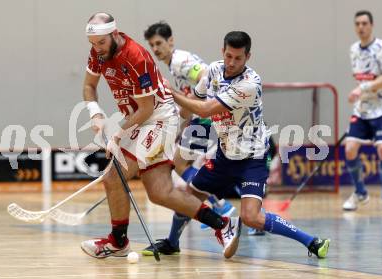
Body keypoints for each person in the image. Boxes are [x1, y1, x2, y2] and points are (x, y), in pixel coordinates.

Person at [79, 12, 240, 259]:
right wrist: (95, 113)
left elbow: (146, 109)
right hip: (140, 120)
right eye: (93, 44)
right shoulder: (98, 52)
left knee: (114, 176)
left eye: (101, 43)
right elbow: (89, 86)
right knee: (160, 193)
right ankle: (223, 224)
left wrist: (118, 134)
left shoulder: (136, 57)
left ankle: (118, 242)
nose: (97, 49)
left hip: (159, 118)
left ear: (113, 34)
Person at [169, 30, 330, 258]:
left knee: (251, 217)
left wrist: (170, 91)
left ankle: (313, 242)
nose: (232, 62)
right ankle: (171, 242)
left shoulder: (249, 84)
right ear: (222, 51)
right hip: (225, 155)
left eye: (238, 58)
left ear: (248, 57)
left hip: (252, 158)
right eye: (228, 56)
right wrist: (173, 125)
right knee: (187, 196)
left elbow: (205, 109)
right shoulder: (213, 70)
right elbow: (192, 103)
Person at [140, 22, 236, 256]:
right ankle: (211, 208)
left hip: (210, 115)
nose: (156, 49)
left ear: (170, 41)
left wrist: (193, 108)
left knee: (180, 164)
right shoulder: (174, 65)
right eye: (152, 45)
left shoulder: (180, 61)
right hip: (206, 115)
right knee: (183, 167)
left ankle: (219, 203)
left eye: (159, 43)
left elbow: (205, 77)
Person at [343, 10, 382, 211]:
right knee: (350, 149)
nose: (361, 27)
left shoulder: (381, 48)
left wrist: (363, 89)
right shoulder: (353, 50)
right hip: (362, 109)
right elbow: (360, 77)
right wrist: (359, 94)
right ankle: (360, 192)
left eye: (364, 23)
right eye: (357, 23)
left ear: (371, 25)